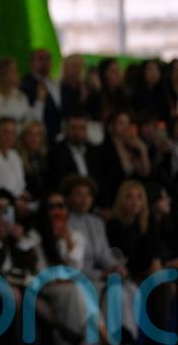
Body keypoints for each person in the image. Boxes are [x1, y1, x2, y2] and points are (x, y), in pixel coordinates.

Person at [62, 176, 138, 342]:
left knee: (130, 289)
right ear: (68, 198)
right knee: (116, 293)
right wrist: (102, 274)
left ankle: (128, 337)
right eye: (79, 194)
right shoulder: (65, 223)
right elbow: (73, 264)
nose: (84, 199)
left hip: (100, 276)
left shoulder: (96, 222)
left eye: (88, 194)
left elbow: (105, 254)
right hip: (83, 279)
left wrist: (116, 267)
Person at [106, 180, 175, 341]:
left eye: (139, 197)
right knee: (162, 288)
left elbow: (154, 252)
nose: (135, 201)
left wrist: (157, 263)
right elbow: (119, 258)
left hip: (145, 274)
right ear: (121, 200)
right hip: (126, 275)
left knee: (164, 287)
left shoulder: (147, 222)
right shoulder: (113, 225)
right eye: (129, 197)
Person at [30, 192, 87, 345]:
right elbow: (41, 272)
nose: (57, 211)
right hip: (42, 285)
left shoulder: (75, 236)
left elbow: (76, 270)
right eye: (52, 207)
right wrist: (52, 240)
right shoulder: (35, 235)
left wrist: (68, 243)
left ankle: (75, 337)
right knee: (74, 290)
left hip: (67, 284)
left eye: (61, 206)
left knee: (80, 290)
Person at [100, 110, 150, 210]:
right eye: (121, 123)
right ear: (110, 126)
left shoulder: (131, 148)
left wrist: (143, 150)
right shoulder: (103, 150)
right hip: (113, 199)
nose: (125, 127)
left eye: (127, 123)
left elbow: (145, 172)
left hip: (133, 200)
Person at [48, 110, 102, 190]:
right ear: (66, 129)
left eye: (82, 128)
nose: (78, 133)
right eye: (73, 128)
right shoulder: (56, 153)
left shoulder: (95, 152)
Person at [0, 57, 45, 125]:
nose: (17, 74)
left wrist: (40, 100)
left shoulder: (20, 96)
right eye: (13, 71)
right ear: (3, 74)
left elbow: (33, 120)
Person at [20, 49, 62, 142]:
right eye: (40, 59)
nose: (45, 62)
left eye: (48, 59)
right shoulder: (26, 85)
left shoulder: (57, 84)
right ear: (31, 63)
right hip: (39, 136)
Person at [0, 117, 26, 199]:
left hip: (17, 198)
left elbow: (21, 182)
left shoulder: (14, 154)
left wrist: (20, 196)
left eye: (12, 132)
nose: (9, 136)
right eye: (5, 132)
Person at [18, 121, 49, 202]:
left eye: (38, 135)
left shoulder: (45, 157)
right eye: (30, 134)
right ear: (23, 137)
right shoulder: (17, 157)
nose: (34, 138)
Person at [59, 54, 88, 118]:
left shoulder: (85, 87)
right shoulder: (58, 87)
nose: (78, 69)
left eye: (80, 66)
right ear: (65, 67)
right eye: (74, 65)